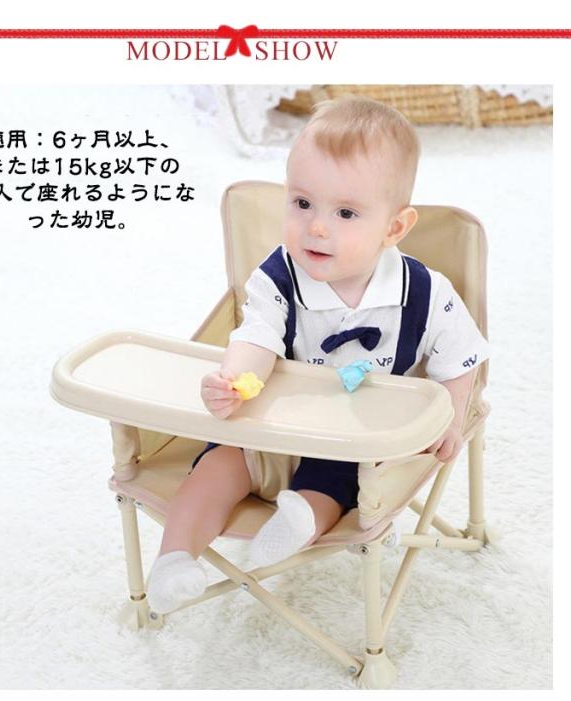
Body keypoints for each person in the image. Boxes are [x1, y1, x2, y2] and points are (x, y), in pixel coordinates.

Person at [145, 96, 490, 614]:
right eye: (302, 203)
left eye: (345, 213)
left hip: (350, 437)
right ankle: (174, 559)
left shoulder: (424, 292)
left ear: (394, 228)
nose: (317, 227)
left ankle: (297, 523)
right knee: (216, 465)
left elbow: (460, 360)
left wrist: (452, 415)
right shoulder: (278, 276)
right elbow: (256, 337)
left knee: (334, 487)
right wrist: (233, 380)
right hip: (269, 424)